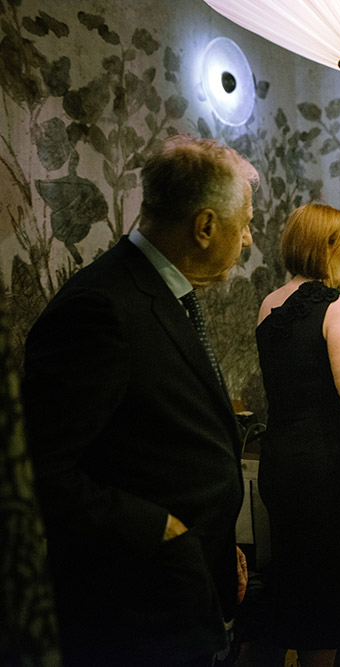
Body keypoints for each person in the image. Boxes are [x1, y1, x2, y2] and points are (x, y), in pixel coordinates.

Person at [21, 134, 258, 666]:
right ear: (204, 227)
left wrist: (217, 546)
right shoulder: (98, 308)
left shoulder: (165, 293)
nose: (247, 240)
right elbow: (40, 472)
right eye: (243, 224)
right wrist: (163, 531)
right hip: (136, 615)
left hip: (187, 588)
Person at [255, 203, 340, 667]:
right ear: (326, 248)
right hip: (321, 467)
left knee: (289, 575)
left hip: (278, 460)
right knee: (326, 588)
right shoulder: (339, 306)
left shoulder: (268, 304)